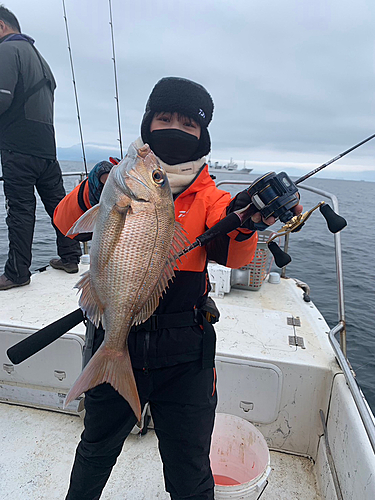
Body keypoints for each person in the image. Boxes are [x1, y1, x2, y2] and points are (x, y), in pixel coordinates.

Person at [54, 76, 303, 500]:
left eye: (188, 123)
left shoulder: (212, 198)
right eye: (164, 117)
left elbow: (238, 255)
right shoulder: (117, 178)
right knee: (95, 450)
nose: (173, 128)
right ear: (148, 122)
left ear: (202, 136)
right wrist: (93, 188)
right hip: (115, 338)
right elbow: (65, 223)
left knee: (189, 469)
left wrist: (252, 218)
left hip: (186, 355)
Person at [0, 5, 81, 291]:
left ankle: (17, 273)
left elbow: (2, 99)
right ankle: (71, 256)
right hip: (47, 150)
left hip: (18, 149)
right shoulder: (41, 59)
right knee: (59, 206)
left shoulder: (8, 51)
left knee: (20, 210)